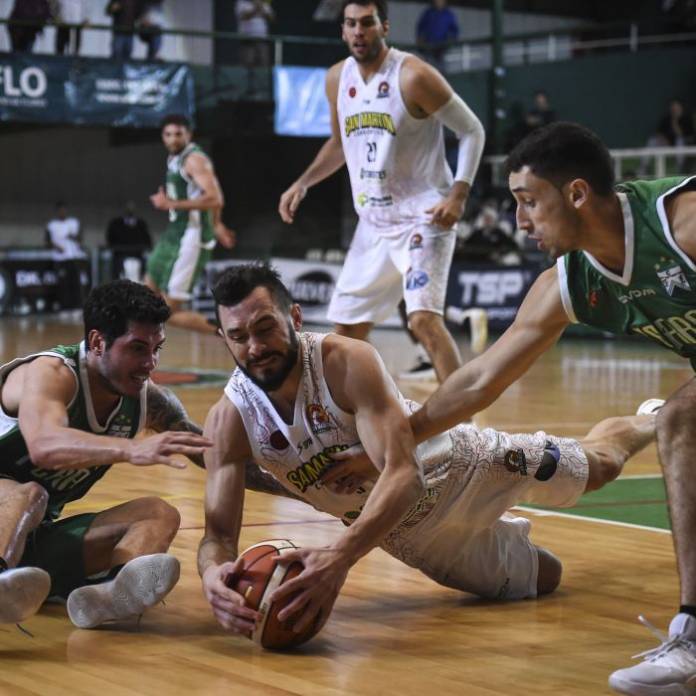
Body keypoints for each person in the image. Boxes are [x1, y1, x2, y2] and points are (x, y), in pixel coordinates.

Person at [353, 121, 696, 695]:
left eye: (529, 201)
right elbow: (481, 378)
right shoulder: (573, 280)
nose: (519, 220)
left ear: (577, 194)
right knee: (685, 418)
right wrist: (398, 441)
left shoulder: (681, 224)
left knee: (683, 417)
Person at [197, 262, 656, 639]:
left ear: (294, 318)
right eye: (239, 336)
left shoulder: (343, 362)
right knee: (547, 577)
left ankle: (659, 418)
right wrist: (213, 575)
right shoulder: (230, 420)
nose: (255, 347)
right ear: (223, 338)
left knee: (602, 465)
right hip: (412, 538)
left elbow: (404, 475)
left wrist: (338, 556)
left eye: (266, 328)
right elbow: (217, 536)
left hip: (465, 466)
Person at [278, 0, 486, 385]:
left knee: (423, 320)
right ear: (342, 30)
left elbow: (472, 129)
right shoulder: (336, 78)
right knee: (346, 332)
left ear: (384, 27)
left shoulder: (414, 75)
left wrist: (458, 194)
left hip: (425, 214)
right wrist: (302, 182)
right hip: (373, 221)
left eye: (367, 22)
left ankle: (463, 418)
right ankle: (358, 413)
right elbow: (339, 144)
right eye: (351, 23)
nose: (359, 31)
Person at [0, 279, 216, 628]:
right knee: (30, 494)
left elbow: (219, 456)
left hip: (24, 535)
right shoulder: (51, 373)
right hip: (19, 507)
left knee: (158, 514)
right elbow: (43, 446)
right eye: (138, 348)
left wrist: (300, 485)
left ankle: (109, 598)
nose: (151, 363)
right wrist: (131, 448)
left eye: (157, 348)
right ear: (98, 342)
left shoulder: (147, 401)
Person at [147, 114, 235, 334]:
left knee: (169, 312)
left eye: (178, 134)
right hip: (174, 233)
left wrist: (172, 203)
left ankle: (231, 334)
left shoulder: (194, 159)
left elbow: (215, 198)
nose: (173, 139)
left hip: (192, 238)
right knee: (147, 290)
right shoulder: (174, 158)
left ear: (189, 134)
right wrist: (217, 223)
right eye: (168, 134)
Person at [46, 201, 87, 310]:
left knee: (76, 283)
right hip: (60, 259)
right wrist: (57, 247)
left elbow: (80, 238)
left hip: (73, 257)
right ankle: (64, 306)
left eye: (64, 210)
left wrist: (72, 236)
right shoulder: (52, 225)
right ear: (57, 212)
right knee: (63, 284)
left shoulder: (73, 223)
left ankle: (77, 306)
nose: (62, 212)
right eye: (60, 210)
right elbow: (47, 242)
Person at [106, 201, 152, 281]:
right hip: (120, 254)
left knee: (143, 272)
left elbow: (147, 240)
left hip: (137, 254)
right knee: (118, 273)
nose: (130, 211)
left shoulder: (141, 224)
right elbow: (110, 238)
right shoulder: (116, 223)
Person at [415, 0, 459, 73]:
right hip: (428, 47)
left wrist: (450, 41)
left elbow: (454, 31)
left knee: (441, 71)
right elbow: (420, 28)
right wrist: (420, 39)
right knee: (428, 69)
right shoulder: (428, 13)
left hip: (441, 49)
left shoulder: (448, 14)